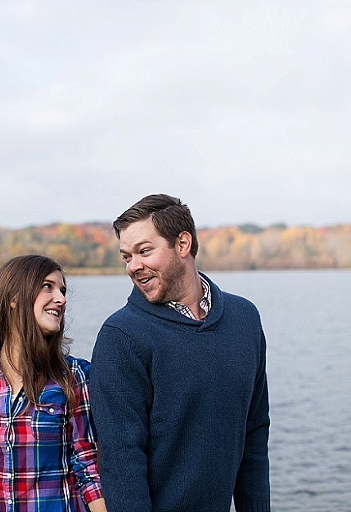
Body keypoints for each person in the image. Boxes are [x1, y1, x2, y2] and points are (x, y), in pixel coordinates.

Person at [89, 194, 271, 512]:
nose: (134, 267)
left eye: (144, 251)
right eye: (126, 257)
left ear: (183, 244)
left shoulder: (244, 319)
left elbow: (253, 436)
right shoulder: (121, 337)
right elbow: (121, 463)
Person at [0, 254, 107, 512]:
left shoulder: (75, 376)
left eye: (62, 290)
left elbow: (88, 466)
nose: (61, 299)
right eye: (48, 286)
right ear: (14, 298)